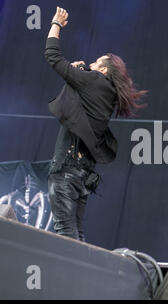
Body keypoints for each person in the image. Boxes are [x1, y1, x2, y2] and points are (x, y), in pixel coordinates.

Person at [45, 7, 146, 241]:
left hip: (67, 170)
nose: (91, 63)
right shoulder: (107, 93)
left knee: (65, 233)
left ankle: (71, 277)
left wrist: (56, 24)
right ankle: (82, 275)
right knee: (76, 233)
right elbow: (77, 104)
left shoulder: (94, 80)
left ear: (102, 69)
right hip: (83, 174)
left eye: (95, 62)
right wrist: (79, 70)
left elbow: (52, 56)